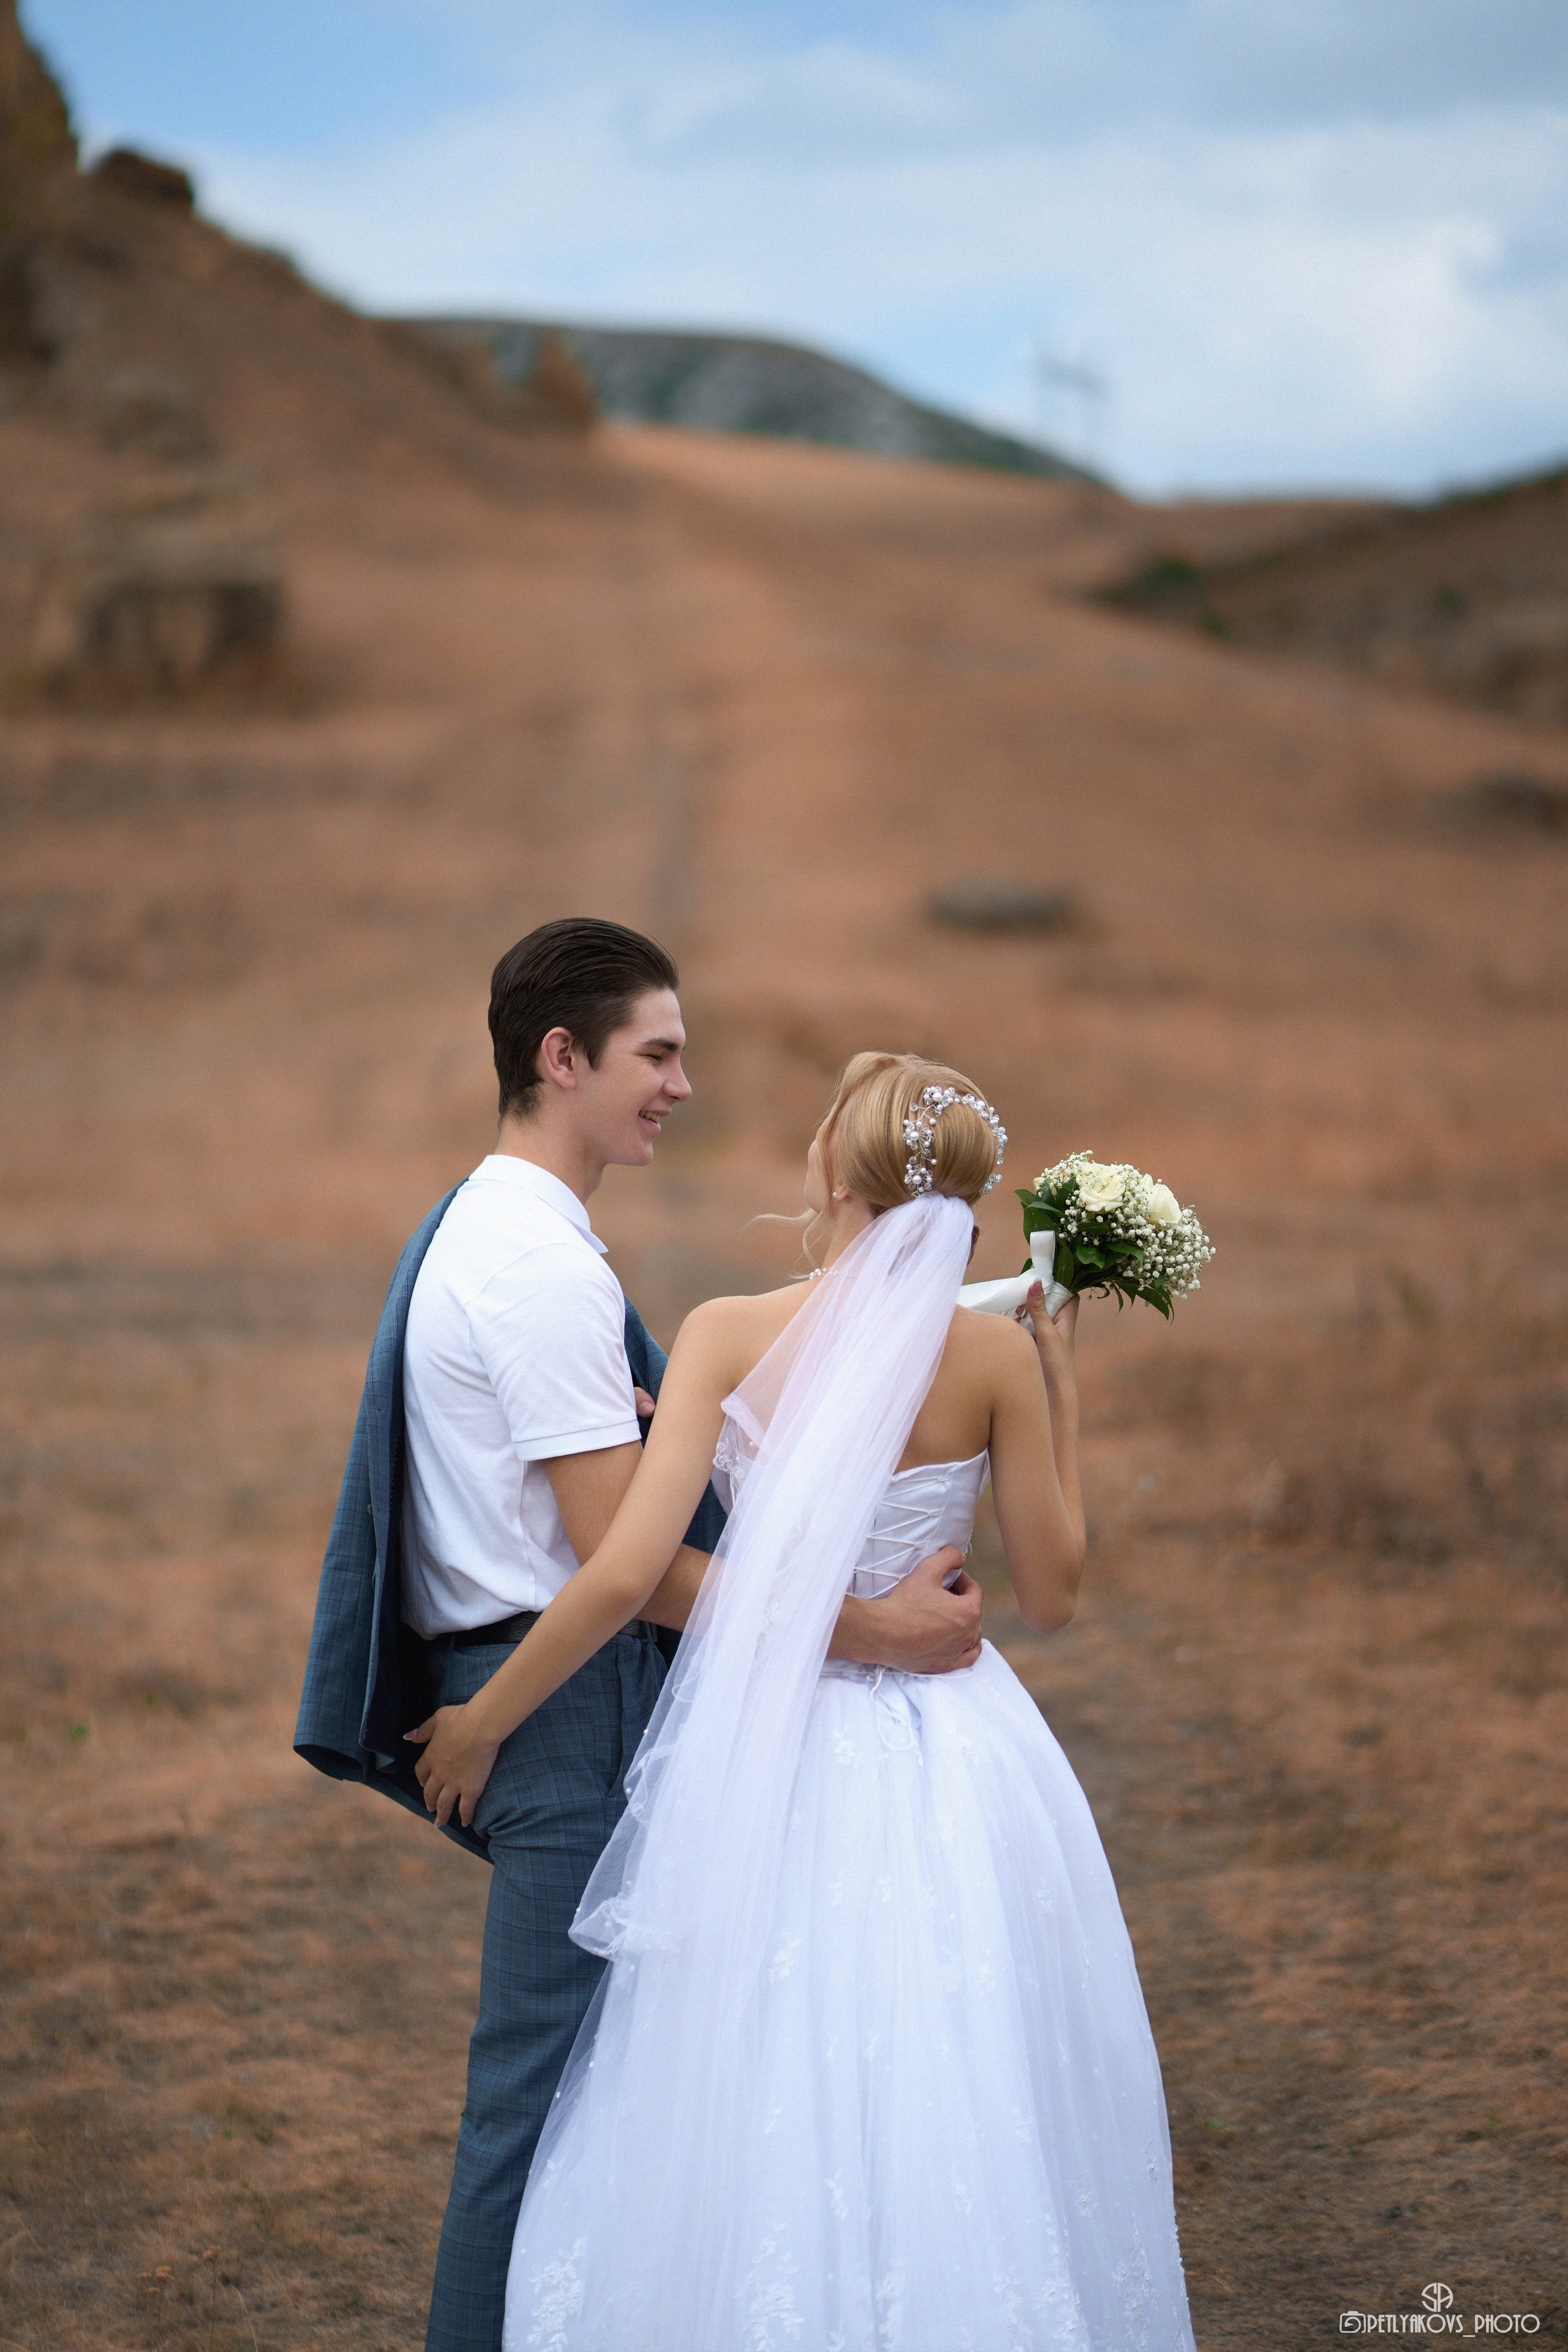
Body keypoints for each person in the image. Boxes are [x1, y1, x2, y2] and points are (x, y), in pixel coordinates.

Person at [413, 1049, 1198, 2352]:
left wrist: (485, 1714)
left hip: (771, 1745)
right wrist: (1055, 1381)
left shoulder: (727, 1335)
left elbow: (625, 1571)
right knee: (948, 2045)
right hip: (958, 1748)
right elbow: (1051, 1594)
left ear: (831, 1172)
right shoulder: (991, 1357)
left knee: (751, 2047)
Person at [295, 926, 987, 2352]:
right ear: (564, 1059)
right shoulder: (539, 1272)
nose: (682, 1083)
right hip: (558, 1705)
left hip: (534, 1689)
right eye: (656, 1054)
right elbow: (636, 1566)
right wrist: (875, 1632)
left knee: (608, 2093)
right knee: (541, 2101)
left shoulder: (489, 1222)